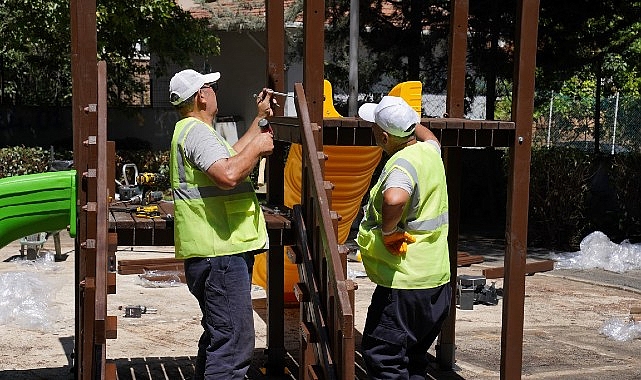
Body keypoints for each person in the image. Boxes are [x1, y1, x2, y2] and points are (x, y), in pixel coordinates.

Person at [168, 68, 274, 380]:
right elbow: (227, 174)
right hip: (220, 254)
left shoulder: (193, 131)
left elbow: (233, 155)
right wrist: (258, 148)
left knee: (220, 337)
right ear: (201, 96)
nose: (214, 91)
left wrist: (259, 119)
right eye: (210, 87)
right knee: (233, 344)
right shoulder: (197, 133)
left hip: (216, 252)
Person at [356, 96, 451, 379]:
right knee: (413, 359)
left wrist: (389, 231)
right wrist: (411, 122)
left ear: (384, 137)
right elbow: (430, 136)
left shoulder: (403, 165)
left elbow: (394, 198)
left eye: (375, 128)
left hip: (403, 283)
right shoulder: (430, 152)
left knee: (383, 356)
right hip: (436, 283)